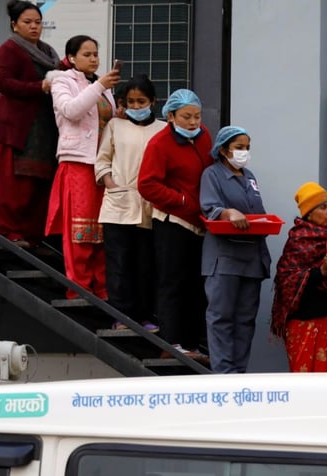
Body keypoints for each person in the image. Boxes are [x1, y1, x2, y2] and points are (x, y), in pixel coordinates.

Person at [138, 88, 213, 359]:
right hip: (173, 222)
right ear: (171, 116)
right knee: (173, 284)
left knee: (196, 286)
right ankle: (171, 344)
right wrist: (181, 200)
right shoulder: (159, 144)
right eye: (186, 117)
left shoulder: (204, 137)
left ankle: (192, 344)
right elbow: (147, 184)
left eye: (197, 116)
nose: (194, 122)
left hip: (199, 224)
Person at [44, 35, 119, 299]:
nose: (93, 58)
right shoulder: (63, 80)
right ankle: (79, 288)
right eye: (86, 54)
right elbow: (71, 110)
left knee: (101, 229)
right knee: (81, 229)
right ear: (72, 58)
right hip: (78, 161)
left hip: (102, 163)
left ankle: (101, 287)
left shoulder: (101, 85)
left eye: (96, 53)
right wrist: (99, 85)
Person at [95, 74, 166, 331]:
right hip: (118, 206)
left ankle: (145, 317)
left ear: (153, 101)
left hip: (150, 208)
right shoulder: (115, 125)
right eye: (131, 102)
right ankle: (121, 318)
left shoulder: (163, 129)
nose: (136, 107)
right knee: (119, 265)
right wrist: (112, 184)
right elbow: (102, 160)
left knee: (145, 265)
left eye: (142, 101)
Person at [199, 126, 271, 373]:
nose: (244, 152)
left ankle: (239, 373)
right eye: (239, 147)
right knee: (221, 317)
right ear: (223, 149)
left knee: (245, 320)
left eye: (247, 147)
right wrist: (229, 213)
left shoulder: (249, 176)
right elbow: (210, 207)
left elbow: (258, 212)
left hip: (251, 258)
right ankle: (224, 373)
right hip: (224, 258)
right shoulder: (212, 174)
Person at [0, 1, 60, 247]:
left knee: (38, 180)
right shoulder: (9, 49)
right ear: (14, 25)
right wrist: (39, 87)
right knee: (12, 183)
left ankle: (32, 235)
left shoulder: (49, 52)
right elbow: (3, 83)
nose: (34, 27)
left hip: (42, 127)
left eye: (38, 22)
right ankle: (11, 232)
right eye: (27, 22)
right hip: (14, 126)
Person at [271, 182, 327, 372]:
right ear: (309, 213)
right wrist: (321, 272)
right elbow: (286, 281)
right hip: (302, 322)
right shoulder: (297, 240)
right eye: (323, 207)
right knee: (303, 378)